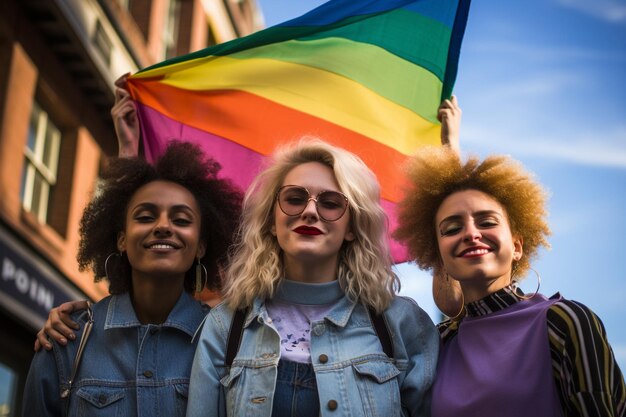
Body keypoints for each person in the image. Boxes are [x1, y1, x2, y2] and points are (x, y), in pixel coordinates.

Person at [185, 138, 440, 417]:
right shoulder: (224, 326)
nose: (309, 211)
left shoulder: (401, 324)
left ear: (352, 227)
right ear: (271, 220)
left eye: (330, 203)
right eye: (294, 199)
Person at [393, 146, 626, 417]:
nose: (471, 233)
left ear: (516, 246)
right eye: (452, 229)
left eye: (487, 222)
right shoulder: (436, 346)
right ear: (439, 257)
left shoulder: (564, 322)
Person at [23, 141, 242, 416]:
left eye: (182, 220)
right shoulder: (68, 341)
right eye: (146, 216)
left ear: (201, 246)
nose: (163, 226)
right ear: (121, 240)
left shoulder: (227, 342)